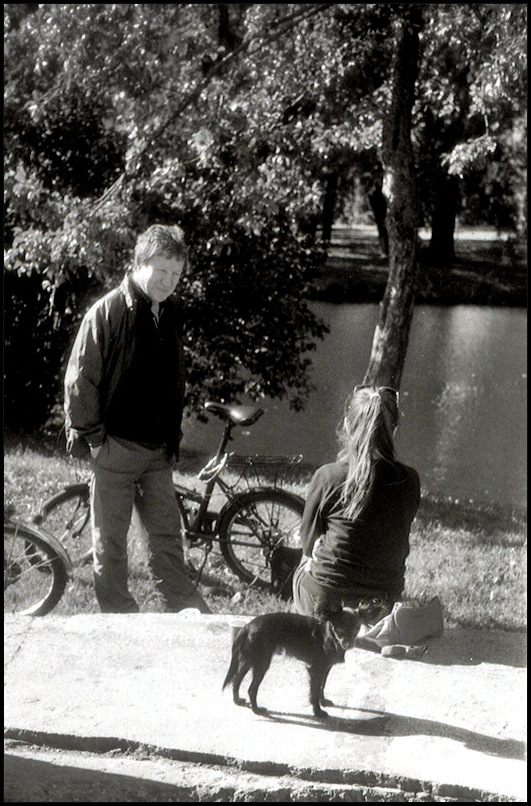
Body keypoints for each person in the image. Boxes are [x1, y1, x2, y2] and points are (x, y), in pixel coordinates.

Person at [64, 224, 210, 614]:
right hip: (115, 448)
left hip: (157, 452)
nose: (168, 281)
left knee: (167, 539)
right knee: (110, 545)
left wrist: (172, 440)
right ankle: (119, 619)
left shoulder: (171, 311)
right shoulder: (108, 312)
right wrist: (95, 439)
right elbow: (80, 381)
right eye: (161, 270)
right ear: (138, 264)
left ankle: (185, 614)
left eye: (176, 273)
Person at [292, 384, 420, 620]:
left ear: (348, 425)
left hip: (327, 604)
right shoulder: (409, 480)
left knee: (305, 559)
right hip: (381, 606)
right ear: (394, 430)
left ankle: (307, 629)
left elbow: (308, 547)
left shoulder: (328, 476)